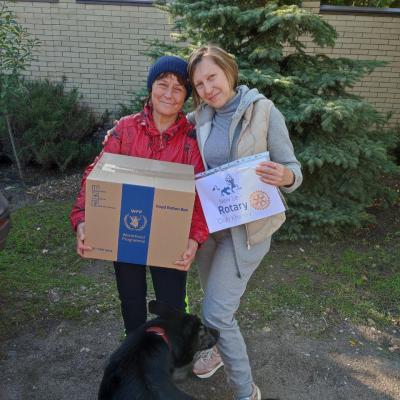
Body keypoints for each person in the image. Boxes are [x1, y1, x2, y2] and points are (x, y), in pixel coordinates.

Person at [187, 45, 303, 400]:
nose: (207, 88)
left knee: (217, 314)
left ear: (229, 71)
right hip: (211, 230)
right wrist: (120, 131)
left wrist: (285, 176)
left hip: (248, 233)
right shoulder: (200, 117)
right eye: (199, 84)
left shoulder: (264, 111)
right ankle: (218, 350)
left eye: (212, 77)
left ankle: (245, 392)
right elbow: (161, 126)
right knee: (213, 299)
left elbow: (294, 169)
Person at [70, 56, 208, 335]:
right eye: (162, 84)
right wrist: (83, 219)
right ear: (151, 87)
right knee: (131, 299)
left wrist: (194, 238)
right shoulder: (125, 129)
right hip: (126, 229)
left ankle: (170, 354)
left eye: (178, 88)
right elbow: (96, 174)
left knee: (171, 304)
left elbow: (201, 193)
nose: (168, 94)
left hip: (170, 235)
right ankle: (134, 350)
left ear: (185, 97)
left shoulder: (192, 140)